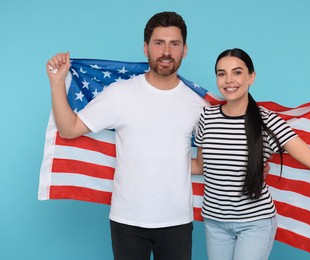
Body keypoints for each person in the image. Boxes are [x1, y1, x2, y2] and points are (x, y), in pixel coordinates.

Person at [46, 11, 208, 260]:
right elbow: (69, 129)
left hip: (177, 222)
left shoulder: (198, 105)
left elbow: (200, 165)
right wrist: (57, 82)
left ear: (184, 50)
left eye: (174, 44)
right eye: (159, 43)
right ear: (146, 48)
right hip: (127, 221)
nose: (166, 51)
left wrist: (253, 165)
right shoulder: (120, 94)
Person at [191, 48, 310, 260]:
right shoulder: (206, 118)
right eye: (221, 73)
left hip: (255, 224)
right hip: (214, 222)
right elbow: (200, 166)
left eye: (237, 72)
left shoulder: (268, 121)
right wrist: (152, 160)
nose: (229, 80)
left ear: (251, 77)